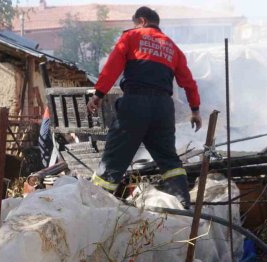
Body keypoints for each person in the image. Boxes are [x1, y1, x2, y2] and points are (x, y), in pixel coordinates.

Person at [86, 6, 202, 208]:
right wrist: (195, 110)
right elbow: (189, 83)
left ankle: (97, 204)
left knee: (114, 158)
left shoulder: (132, 37)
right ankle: (184, 202)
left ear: (141, 20)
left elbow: (112, 67)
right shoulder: (173, 48)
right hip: (163, 108)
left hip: (135, 104)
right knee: (168, 159)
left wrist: (98, 94)